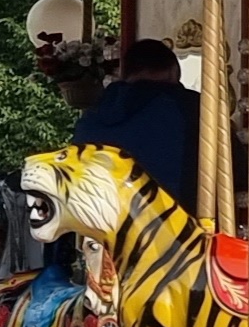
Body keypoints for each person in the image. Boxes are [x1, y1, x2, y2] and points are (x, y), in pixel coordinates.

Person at [70, 40, 202, 208]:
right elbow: (234, 168)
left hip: (97, 219)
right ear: (173, 71)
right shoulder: (187, 106)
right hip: (168, 221)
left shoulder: (92, 114)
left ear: (126, 73)